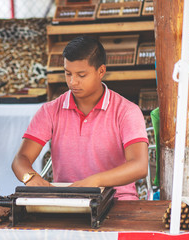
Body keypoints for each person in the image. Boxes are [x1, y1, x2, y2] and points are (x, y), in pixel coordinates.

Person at [12, 36, 149, 200]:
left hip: (118, 201)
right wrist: (30, 177)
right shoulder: (50, 110)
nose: (72, 82)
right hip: (67, 202)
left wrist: (96, 181)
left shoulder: (127, 111)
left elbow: (139, 166)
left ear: (101, 71)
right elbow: (21, 159)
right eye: (67, 73)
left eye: (81, 75)